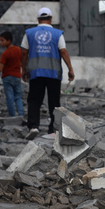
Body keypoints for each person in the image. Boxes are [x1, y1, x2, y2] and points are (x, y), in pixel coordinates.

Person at [21, 7, 75, 138]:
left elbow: (24, 52)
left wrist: (24, 69)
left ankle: (33, 127)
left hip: (36, 73)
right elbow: (63, 51)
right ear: (51, 19)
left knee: (34, 100)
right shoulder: (58, 34)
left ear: (38, 19)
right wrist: (70, 69)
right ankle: (53, 129)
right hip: (53, 74)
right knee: (54, 102)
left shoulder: (29, 33)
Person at [0, 31, 24, 117]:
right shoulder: (18, 50)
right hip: (17, 76)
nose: (0, 42)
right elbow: (21, 62)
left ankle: (12, 116)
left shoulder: (5, 53)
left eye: (2, 40)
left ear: (8, 41)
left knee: (10, 98)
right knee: (18, 96)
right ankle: (21, 114)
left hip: (7, 77)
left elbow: (0, 68)